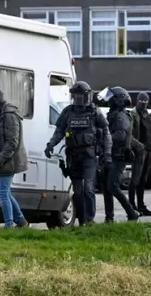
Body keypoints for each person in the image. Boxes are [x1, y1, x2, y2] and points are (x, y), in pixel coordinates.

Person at [45, 81, 111, 226]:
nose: (80, 98)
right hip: (73, 157)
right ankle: (82, 221)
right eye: (77, 95)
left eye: (82, 95)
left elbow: (106, 134)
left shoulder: (95, 112)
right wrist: (50, 145)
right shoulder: (68, 112)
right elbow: (59, 132)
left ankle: (89, 220)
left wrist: (107, 153)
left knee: (88, 189)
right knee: (78, 192)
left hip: (89, 156)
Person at [0, 87, 29, 228]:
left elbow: (12, 142)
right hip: (6, 159)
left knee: (2, 193)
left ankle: (9, 225)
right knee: (6, 193)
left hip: (8, 161)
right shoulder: (2, 113)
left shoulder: (8, 115)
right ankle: (21, 222)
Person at [101, 86, 140, 223]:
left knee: (113, 186)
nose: (109, 101)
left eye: (111, 99)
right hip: (110, 155)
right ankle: (109, 218)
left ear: (118, 100)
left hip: (118, 156)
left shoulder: (121, 116)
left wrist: (104, 138)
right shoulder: (114, 114)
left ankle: (131, 212)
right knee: (106, 187)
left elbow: (120, 135)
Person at [128, 92, 151, 216]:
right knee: (135, 180)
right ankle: (131, 206)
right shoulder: (133, 114)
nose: (143, 102)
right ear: (137, 100)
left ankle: (141, 205)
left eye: (146, 100)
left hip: (148, 151)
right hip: (139, 151)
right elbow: (130, 134)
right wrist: (137, 146)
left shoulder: (148, 115)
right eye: (141, 100)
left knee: (143, 180)